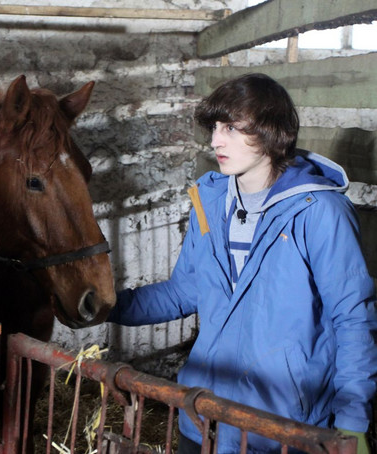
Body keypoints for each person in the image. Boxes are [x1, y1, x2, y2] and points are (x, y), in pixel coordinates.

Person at [108, 73, 376, 453]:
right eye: (216, 127)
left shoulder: (319, 212)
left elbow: (351, 318)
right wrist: (107, 305)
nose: (216, 140)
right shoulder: (210, 201)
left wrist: (352, 423)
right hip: (202, 417)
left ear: (272, 132)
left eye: (232, 128)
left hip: (281, 428)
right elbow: (185, 290)